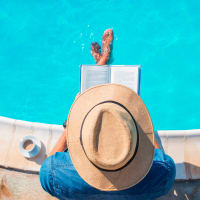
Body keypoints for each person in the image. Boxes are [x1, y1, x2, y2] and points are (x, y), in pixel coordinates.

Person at [40, 29, 176, 200]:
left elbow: (49, 162)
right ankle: (103, 62)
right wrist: (141, 124)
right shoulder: (164, 174)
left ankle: (102, 63)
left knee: (93, 107)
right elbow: (159, 156)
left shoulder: (53, 175)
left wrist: (71, 124)